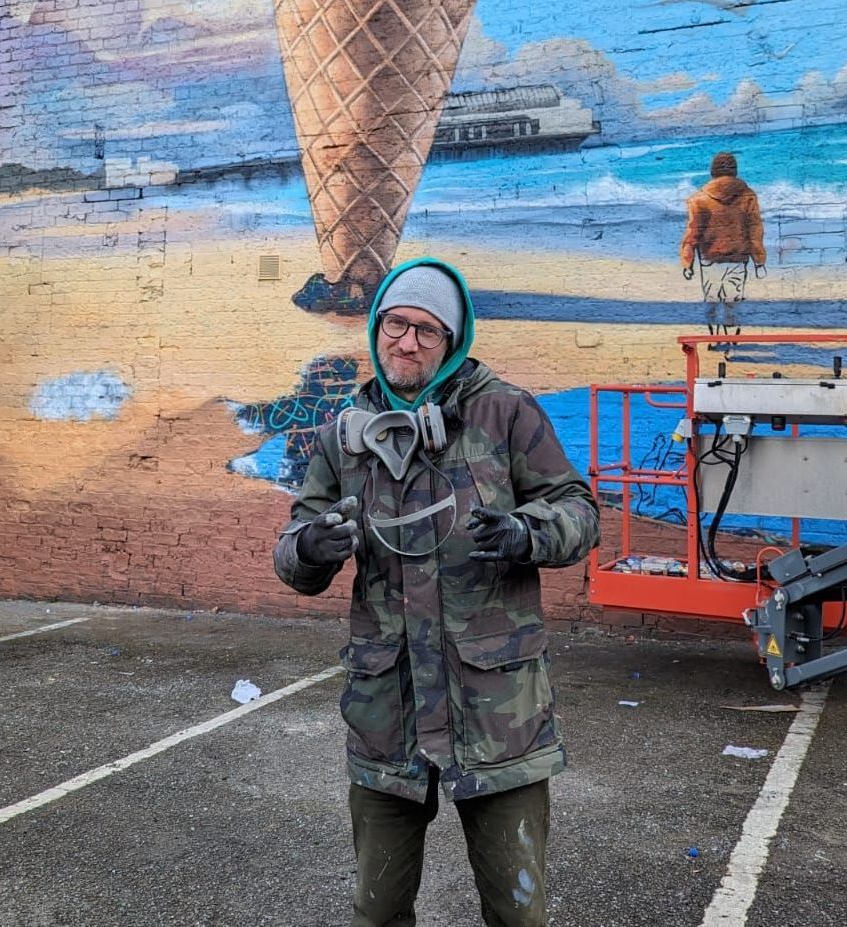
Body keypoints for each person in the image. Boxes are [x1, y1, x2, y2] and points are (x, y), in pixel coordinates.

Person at [274, 256, 600, 927]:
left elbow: (580, 511)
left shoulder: (505, 413)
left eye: (428, 330)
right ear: (376, 328)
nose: (407, 342)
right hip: (386, 715)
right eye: (395, 324)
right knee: (377, 910)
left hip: (497, 715)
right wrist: (310, 549)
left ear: (452, 340)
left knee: (518, 914)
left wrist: (527, 532)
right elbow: (293, 548)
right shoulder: (342, 436)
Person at [680, 152, 766, 340]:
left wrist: (687, 262)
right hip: (737, 259)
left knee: (711, 300)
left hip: (709, 259)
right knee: (732, 301)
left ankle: (714, 338)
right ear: (735, 171)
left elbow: (693, 233)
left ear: (713, 171)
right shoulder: (748, 196)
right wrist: (759, 261)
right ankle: (731, 339)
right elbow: (755, 231)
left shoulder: (699, 199)